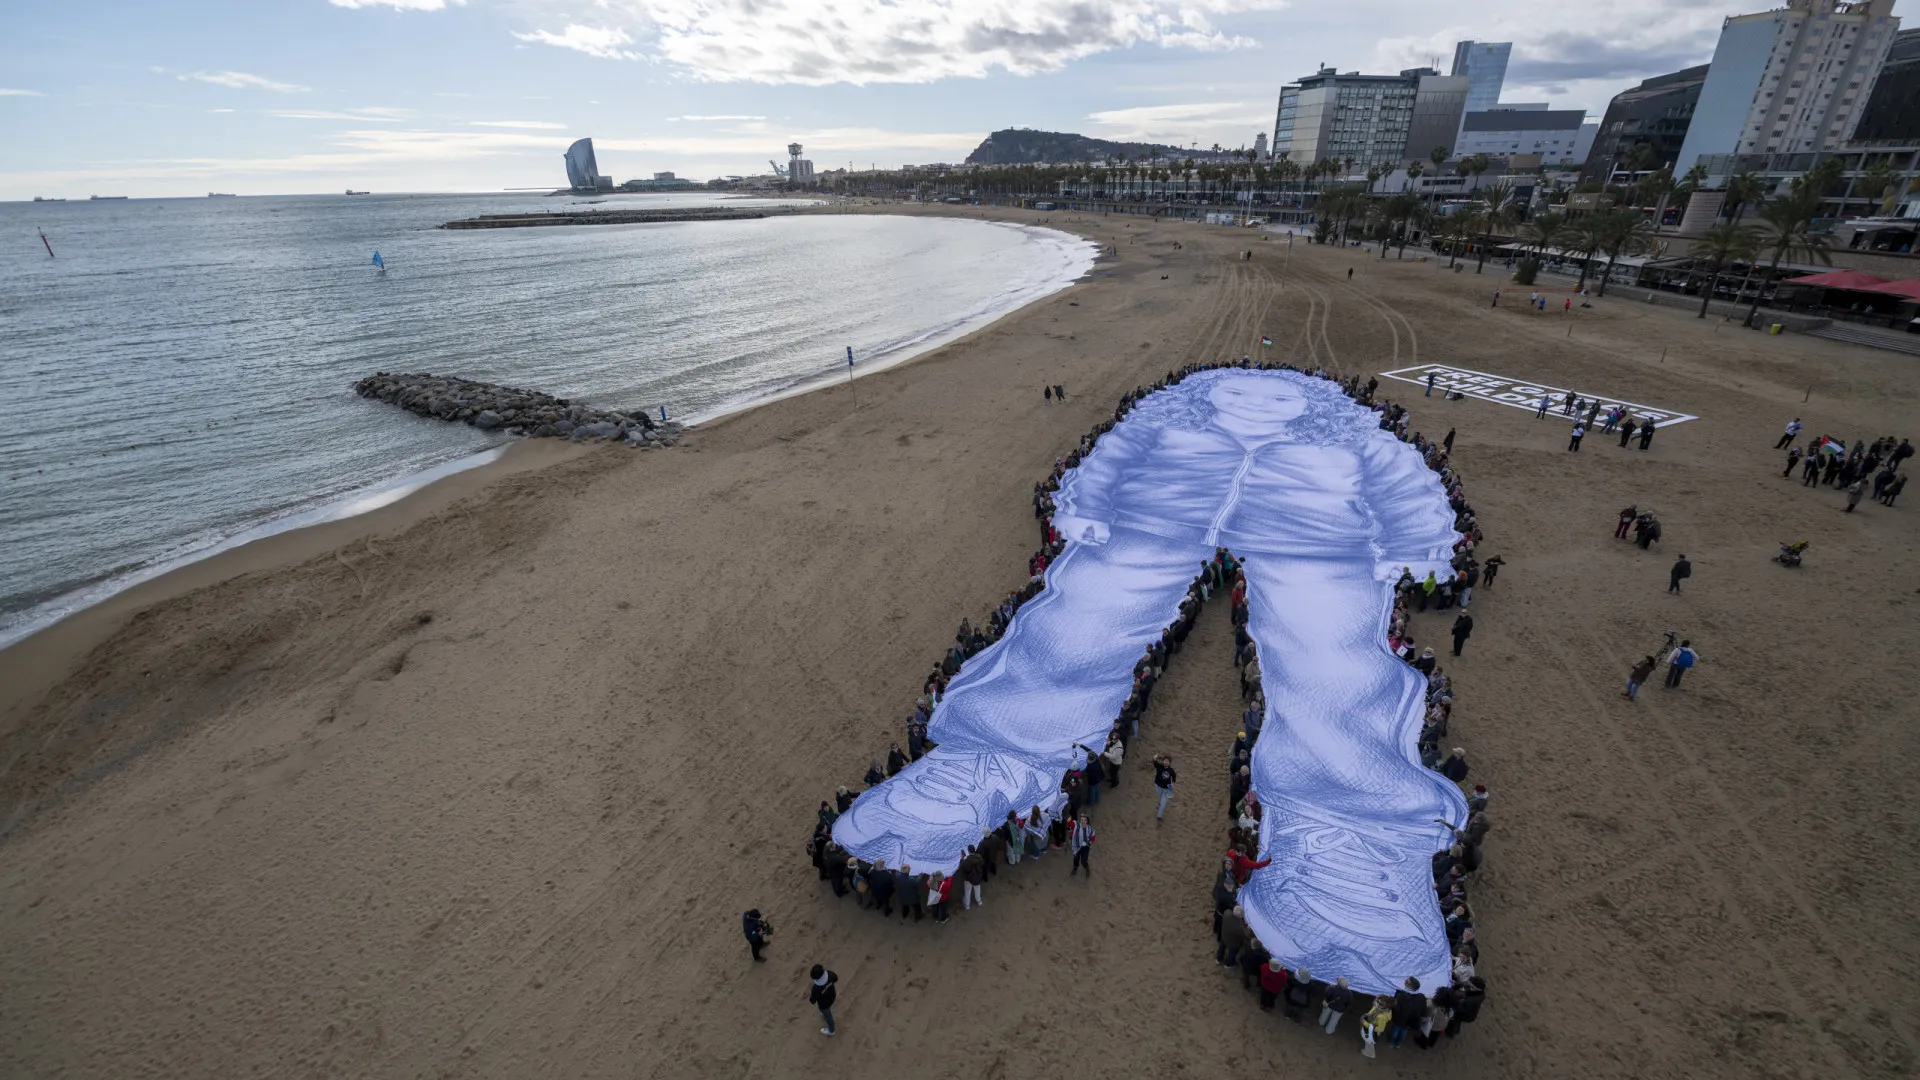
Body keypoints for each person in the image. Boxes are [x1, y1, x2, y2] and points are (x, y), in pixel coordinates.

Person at [1389, 977, 1426, 1047]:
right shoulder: (1422, 997)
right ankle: (1398, 1044)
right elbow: (1423, 1010)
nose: (1405, 981)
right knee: (1404, 1031)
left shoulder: (1401, 995)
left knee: (1396, 1031)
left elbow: (1396, 1008)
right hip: (1411, 1021)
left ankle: (1392, 1042)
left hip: (1399, 1019)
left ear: (1410, 986)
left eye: (1406, 981)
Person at [807, 964, 838, 1037]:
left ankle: (831, 1030)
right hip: (832, 996)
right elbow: (836, 978)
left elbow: (812, 1001)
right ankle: (824, 1014)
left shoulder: (816, 988)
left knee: (828, 1017)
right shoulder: (830, 975)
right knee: (828, 1009)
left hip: (824, 1005)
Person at [1153, 755, 1177, 821]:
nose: (1166, 762)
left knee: (1163, 804)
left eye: (1168, 761)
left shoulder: (1171, 770)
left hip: (1167, 788)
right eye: (1165, 761)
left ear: (1169, 763)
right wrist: (1155, 758)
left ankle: (1159, 816)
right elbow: (1155, 763)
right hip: (1158, 786)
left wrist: (1173, 783)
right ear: (1163, 761)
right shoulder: (1159, 766)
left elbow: (1174, 777)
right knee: (1160, 798)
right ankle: (1161, 803)